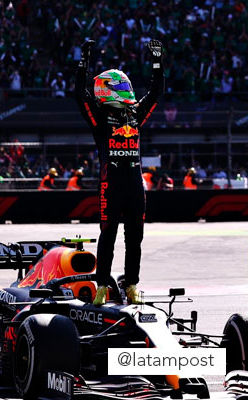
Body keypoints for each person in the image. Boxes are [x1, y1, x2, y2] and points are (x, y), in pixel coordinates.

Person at [75, 38, 164, 306]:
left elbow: (156, 93)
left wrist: (158, 62)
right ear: (108, 90)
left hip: (135, 185)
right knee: (108, 236)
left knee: (135, 238)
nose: (127, 89)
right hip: (110, 185)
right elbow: (80, 94)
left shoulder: (135, 114)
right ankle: (102, 285)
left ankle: (132, 284)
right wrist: (84, 61)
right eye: (121, 86)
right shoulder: (100, 117)